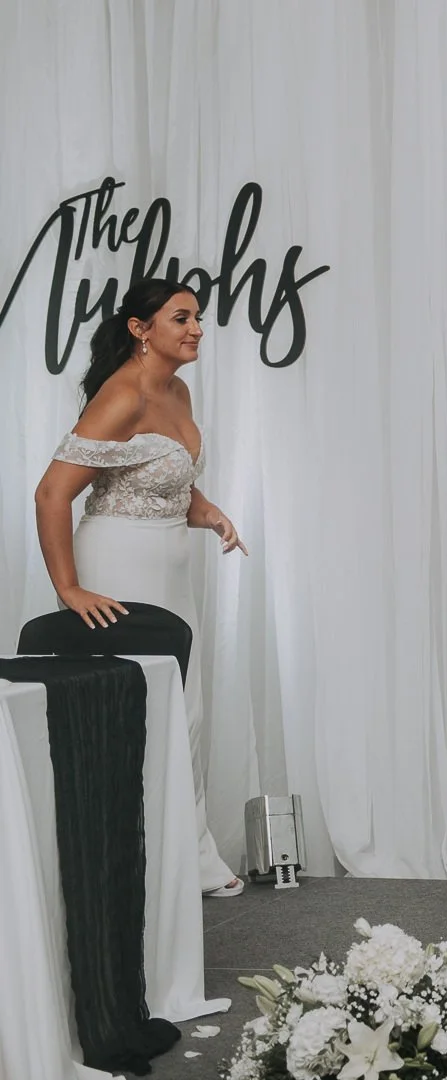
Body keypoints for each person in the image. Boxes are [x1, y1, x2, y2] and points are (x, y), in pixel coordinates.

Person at [34, 277, 249, 898]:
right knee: (138, 709)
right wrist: (70, 588)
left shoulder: (176, 390)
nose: (196, 329)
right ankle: (133, 860)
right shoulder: (121, 395)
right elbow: (53, 493)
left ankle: (188, 856)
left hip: (171, 566)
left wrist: (205, 511)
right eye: (182, 318)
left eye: (199, 318)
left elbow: (164, 476)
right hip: (119, 564)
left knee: (185, 711)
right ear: (140, 328)